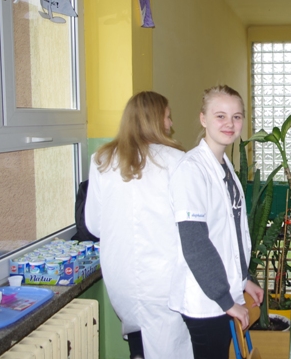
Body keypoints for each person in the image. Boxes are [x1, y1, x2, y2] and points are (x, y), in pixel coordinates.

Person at [85, 91, 193, 359]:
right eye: (167, 117)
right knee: (171, 345)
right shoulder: (176, 161)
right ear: (154, 120)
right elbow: (190, 226)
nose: (170, 124)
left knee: (140, 342)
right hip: (165, 279)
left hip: (121, 276)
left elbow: (94, 225)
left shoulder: (101, 160)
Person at [168, 85, 264, 359]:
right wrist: (225, 300)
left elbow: (231, 235)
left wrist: (244, 279)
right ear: (203, 119)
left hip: (221, 296)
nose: (229, 124)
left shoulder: (224, 166)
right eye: (220, 116)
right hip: (205, 301)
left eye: (236, 117)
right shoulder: (192, 170)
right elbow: (196, 243)